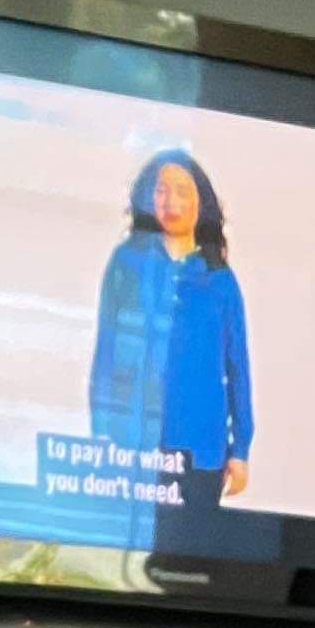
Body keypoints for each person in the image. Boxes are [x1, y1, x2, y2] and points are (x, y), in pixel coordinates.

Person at [88, 150, 257, 549]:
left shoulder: (220, 279)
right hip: (134, 444)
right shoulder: (126, 264)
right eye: (161, 190)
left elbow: (238, 368)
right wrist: (102, 434)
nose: (171, 201)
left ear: (201, 202)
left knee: (185, 553)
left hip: (201, 450)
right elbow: (106, 355)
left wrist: (240, 449)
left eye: (183, 191)